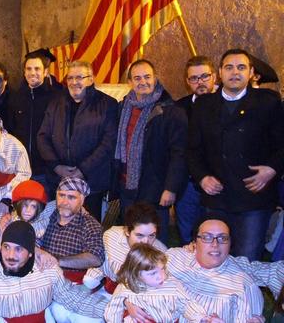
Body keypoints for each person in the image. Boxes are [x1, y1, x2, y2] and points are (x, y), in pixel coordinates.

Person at [188, 48, 284, 260]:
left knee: (246, 258)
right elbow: (193, 150)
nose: (235, 72)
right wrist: (202, 177)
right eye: (229, 67)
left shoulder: (268, 102)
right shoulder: (204, 105)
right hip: (216, 197)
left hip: (253, 198)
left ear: (251, 73)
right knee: (211, 257)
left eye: (241, 67)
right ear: (219, 73)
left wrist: (272, 169)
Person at [0, 221, 107, 323]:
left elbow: (74, 298)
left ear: (31, 252)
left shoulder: (47, 269)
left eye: (18, 249)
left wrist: (118, 310)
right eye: (6, 247)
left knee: (78, 313)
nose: (10, 255)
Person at [125, 217, 267, 322]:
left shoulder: (244, 286)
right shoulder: (173, 257)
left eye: (222, 238)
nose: (215, 244)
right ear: (194, 242)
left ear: (230, 243)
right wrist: (128, 300)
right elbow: (132, 275)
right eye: (206, 237)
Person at [113, 59, 188, 243]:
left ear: (155, 78)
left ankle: (155, 272)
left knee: (154, 241)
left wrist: (170, 188)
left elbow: (179, 153)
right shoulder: (123, 107)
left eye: (147, 77)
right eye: (137, 78)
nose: (143, 82)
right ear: (130, 82)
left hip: (155, 188)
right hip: (127, 187)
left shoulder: (170, 111)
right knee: (130, 237)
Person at [37, 61, 118, 212]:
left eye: (79, 77)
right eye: (70, 78)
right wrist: (56, 166)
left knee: (88, 227)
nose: (74, 82)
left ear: (91, 79)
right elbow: (43, 137)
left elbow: (108, 142)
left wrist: (82, 170)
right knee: (59, 225)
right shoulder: (55, 103)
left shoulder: (108, 104)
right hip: (59, 180)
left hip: (91, 181)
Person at [104, 244, 214, 322]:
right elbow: (113, 310)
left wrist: (202, 318)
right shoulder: (126, 288)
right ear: (136, 273)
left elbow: (186, 304)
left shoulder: (173, 285)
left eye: (162, 269)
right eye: (152, 274)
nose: (161, 276)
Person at [174, 55, 217, 244]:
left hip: (218, 183)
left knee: (214, 232)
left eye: (204, 76)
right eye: (194, 78)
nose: (200, 82)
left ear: (215, 76)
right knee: (188, 234)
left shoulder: (228, 103)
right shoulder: (179, 108)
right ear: (187, 81)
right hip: (187, 184)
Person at [7, 50, 62, 195]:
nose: (33, 73)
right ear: (24, 72)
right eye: (29, 69)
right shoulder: (15, 98)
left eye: (37, 69)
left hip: (46, 171)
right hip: (20, 170)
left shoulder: (56, 98)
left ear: (45, 72)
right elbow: (10, 132)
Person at [83, 203, 166, 294]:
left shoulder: (160, 250)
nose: (146, 242)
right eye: (139, 235)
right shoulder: (112, 236)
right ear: (127, 231)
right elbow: (119, 272)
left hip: (130, 284)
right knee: (89, 281)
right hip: (114, 275)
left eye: (151, 235)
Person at [40, 177, 105, 285]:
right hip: (41, 276)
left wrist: (57, 260)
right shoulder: (47, 215)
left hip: (71, 283)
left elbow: (96, 258)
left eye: (71, 197)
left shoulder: (90, 225)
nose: (65, 202)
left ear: (82, 200)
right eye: (61, 195)